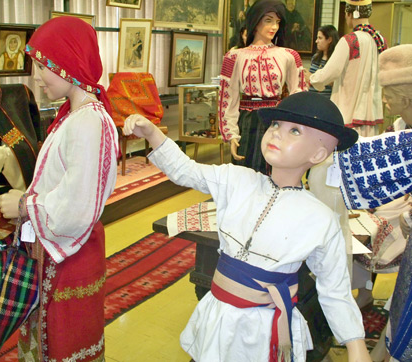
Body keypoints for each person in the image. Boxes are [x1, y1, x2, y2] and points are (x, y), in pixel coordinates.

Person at [124, 91, 370, 362]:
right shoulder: (237, 179)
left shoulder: (320, 219)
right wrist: (152, 134)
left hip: (263, 330)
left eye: (295, 131)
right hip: (218, 315)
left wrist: (355, 345)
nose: (276, 133)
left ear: (319, 153)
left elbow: (334, 290)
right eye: (276, 125)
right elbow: (186, 170)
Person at [0, 16, 119, 361]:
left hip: (67, 253)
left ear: (69, 64)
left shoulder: (88, 122)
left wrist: (23, 204)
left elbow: (75, 209)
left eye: (43, 66)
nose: (36, 76)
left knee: (64, 339)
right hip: (58, 248)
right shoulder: (76, 116)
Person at [335, 44, 412, 362]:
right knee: (401, 302)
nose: (383, 100)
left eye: (387, 92)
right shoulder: (402, 132)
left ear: (406, 97)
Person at [218, 0, 307, 174]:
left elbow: (299, 93)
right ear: (255, 21)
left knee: (273, 172)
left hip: (276, 120)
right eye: (268, 20)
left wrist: (297, 127)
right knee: (245, 173)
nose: (274, 26)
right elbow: (228, 97)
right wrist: (231, 134)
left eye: (277, 21)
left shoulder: (289, 55)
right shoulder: (234, 56)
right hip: (247, 120)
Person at [309, 0, 387, 137]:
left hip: (348, 112)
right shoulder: (379, 40)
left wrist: (312, 78)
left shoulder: (350, 40)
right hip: (370, 115)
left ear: (351, 14)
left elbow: (329, 72)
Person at [308, 25, 339, 98]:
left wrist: (312, 77)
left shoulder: (335, 59)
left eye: (320, 38)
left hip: (327, 100)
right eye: (317, 38)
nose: (316, 41)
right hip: (312, 98)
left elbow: (337, 82)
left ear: (329, 40)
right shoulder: (315, 57)